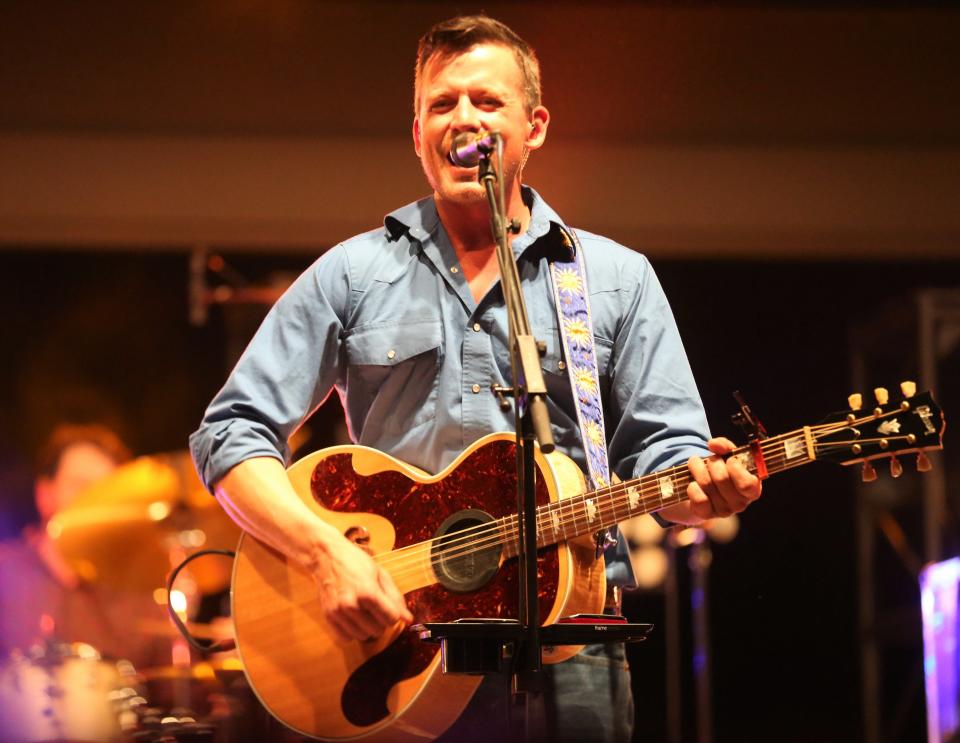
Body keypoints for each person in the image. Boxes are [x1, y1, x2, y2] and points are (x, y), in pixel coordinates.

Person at [190, 14, 762, 742]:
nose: (463, 117)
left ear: (535, 126)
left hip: (574, 644)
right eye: (442, 103)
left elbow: (667, 469)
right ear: (418, 131)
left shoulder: (615, 280)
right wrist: (324, 553)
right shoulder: (353, 274)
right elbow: (229, 434)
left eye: (487, 102)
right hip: (397, 645)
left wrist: (704, 490)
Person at [0, 423, 171, 669]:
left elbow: (177, 690)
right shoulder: (5, 575)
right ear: (44, 493)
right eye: (80, 485)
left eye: (107, 489)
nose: (95, 499)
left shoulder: (142, 591)